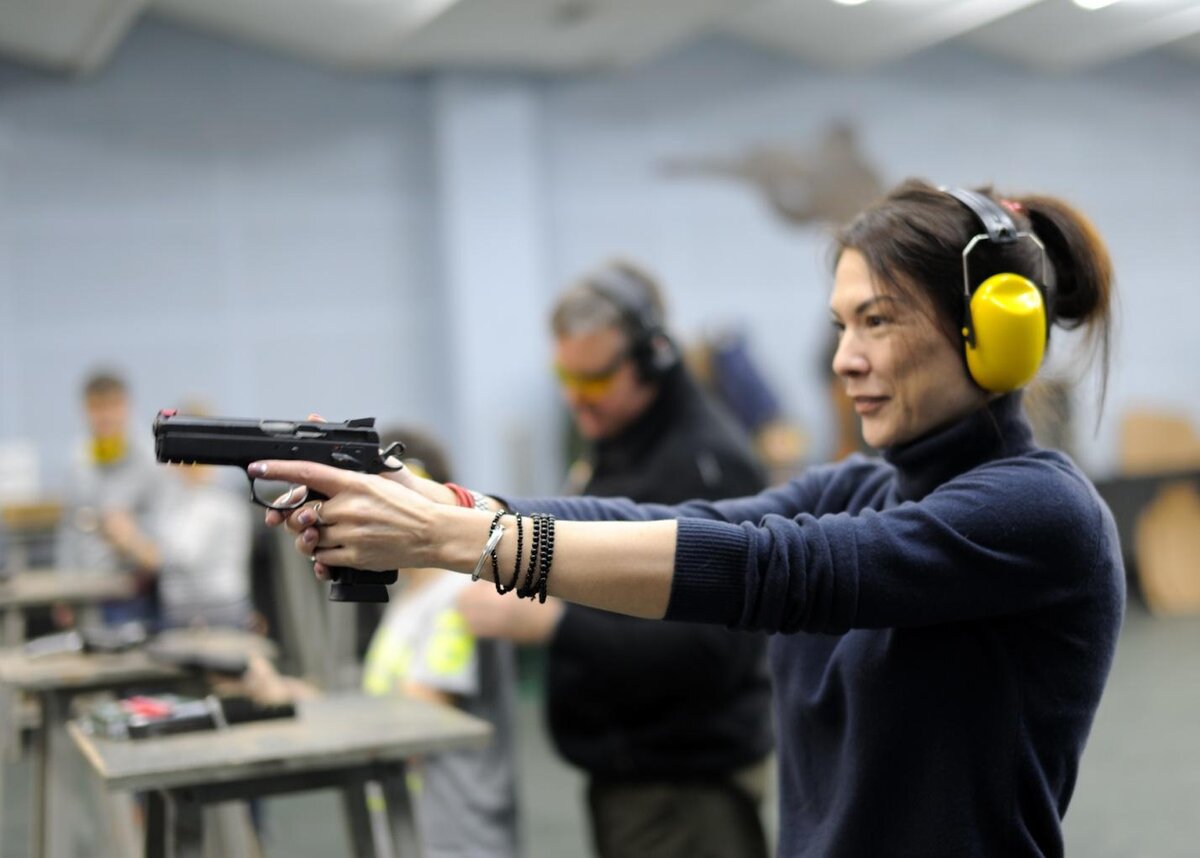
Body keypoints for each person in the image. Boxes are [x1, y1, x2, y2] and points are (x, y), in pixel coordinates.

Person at [260, 178, 1124, 858]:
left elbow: (773, 571)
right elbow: (679, 519)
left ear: (991, 334)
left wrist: (470, 544)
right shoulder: (865, 484)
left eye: (878, 321)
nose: (844, 359)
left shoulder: (1038, 511)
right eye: (839, 324)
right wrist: (446, 503)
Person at [462, 260, 773, 858]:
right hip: (635, 772)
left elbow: (708, 650)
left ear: (651, 360)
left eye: (597, 380)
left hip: (684, 787)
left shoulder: (708, 466)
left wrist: (553, 622)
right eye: (565, 376)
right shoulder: (623, 441)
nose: (577, 399)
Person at [359, 427, 522, 858]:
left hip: (455, 835)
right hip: (409, 825)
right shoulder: (408, 594)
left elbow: (414, 719)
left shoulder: (457, 596)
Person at [55, 369, 166, 627]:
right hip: (91, 594)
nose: (104, 417)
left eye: (111, 407)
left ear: (125, 406)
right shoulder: (78, 459)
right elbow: (69, 529)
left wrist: (131, 539)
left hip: (139, 594)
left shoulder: (151, 459)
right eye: (96, 408)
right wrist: (64, 592)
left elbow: (168, 530)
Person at [154, 403, 255, 630]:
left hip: (216, 613)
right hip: (182, 611)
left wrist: (130, 542)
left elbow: (184, 556)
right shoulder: (178, 498)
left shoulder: (218, 502)